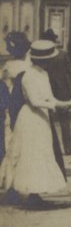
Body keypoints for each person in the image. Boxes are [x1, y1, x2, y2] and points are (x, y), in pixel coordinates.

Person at [0, 39, 71, 209]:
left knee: (40, 152)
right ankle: (14, 190)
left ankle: (34, 192)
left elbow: (48, 97)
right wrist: (55, 105)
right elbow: (34, 101)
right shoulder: (28, 75)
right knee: (25, 152)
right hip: (30, 117)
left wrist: (63, 103)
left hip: (42, 117)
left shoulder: (44, 74)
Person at [40, 28, 71, 156]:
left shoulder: (42, 57)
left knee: (47, 120)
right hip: (63, 91)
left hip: (47, 90)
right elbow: (70, 70)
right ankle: (68, 148)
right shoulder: (63, 54)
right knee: (64, 121)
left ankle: (49, 148)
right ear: (54, 41)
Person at [1, 31, 31, 170]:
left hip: (11, 100)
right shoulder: (28, 65)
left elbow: (5, 86)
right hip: (24, 101)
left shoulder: (8, 65)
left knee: (9, 133)